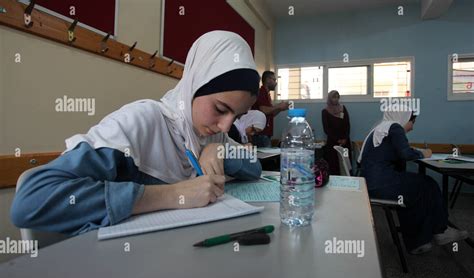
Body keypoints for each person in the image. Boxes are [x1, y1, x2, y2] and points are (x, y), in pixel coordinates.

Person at [10, 31, 262, 236]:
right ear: (194, 84)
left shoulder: (210, 134)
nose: (226, 126)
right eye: (220, 109)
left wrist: (218, 150)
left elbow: (254, 167)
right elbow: (30, 201)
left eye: (237, 116)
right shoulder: (144, 122)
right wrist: (173, 194)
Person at [359, 110, 469, 254]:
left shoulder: (381, 128)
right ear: (404, 118)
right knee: (428, 184)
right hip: (381, 183)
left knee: (413, 190)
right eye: (412, 122)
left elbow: (398, 151)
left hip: (371, 183)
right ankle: (441, 230)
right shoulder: (395, 127)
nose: (412, 127)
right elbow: (405, 154)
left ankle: (419, 242)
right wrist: (424, 153)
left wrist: (414, 151)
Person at [251, 71, 289, 147]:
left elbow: (270, 113)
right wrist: (278, 106)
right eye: (274, 80)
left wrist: (280, 109)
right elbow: (263, 110)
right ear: (268, 80)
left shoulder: (267, 95)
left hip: (266, 134)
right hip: (260, 134)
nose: (276, 83)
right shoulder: (261, 92)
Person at [322, 90, 351, 175]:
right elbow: (326, 129)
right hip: (332, 143)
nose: (336, 99)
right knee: (334, 165)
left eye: (337, 97)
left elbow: (347, 124)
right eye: (334, 97)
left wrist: (345, 138)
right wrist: (337, 140)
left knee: (346, 164)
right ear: (330, 98)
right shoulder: (325, 111)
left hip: (345, 142)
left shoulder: (343, 108)